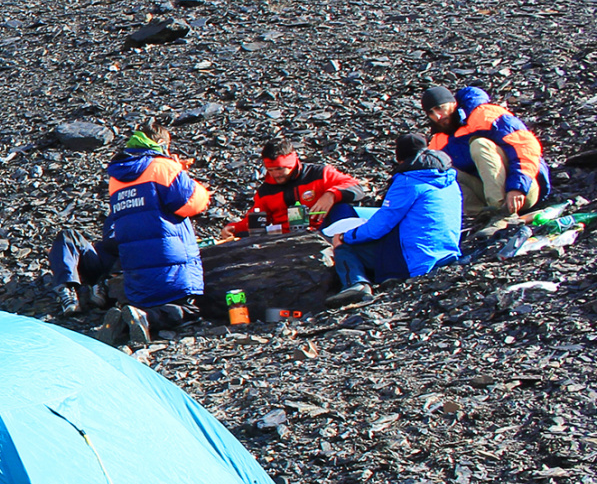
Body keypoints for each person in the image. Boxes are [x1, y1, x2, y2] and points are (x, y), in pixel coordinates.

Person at [49, 122, 217, 346]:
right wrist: (182, 173)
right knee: (190, 309)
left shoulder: (117, 176)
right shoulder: (164, 166)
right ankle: (143, 319)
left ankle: (125, 319)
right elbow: (190, 204)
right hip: (168, 258)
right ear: (161, 145)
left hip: (134, 264)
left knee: (148, 300)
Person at [326, 133, 462, 306]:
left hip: (418, 259)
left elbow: (379, 227)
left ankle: (356, 285)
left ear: (401, 158)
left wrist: (346, 236)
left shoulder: (409, 181)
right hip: (445, 251)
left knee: (346, 247)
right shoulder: (448, 179)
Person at [423, 84, 551, 217]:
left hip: (523, 190)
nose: (437, 116)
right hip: (485, 197)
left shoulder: (484, 115)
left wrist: (517, 187)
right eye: (431, 113)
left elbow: (525, 146)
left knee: (480, 144)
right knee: (440, 171)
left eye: (439, 108)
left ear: (453, 103)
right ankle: (484, 216)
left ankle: (502, 215)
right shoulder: (439, 140)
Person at [222, 140, 363, 238]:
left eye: (280, 169)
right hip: (287, 238)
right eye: (270, 170)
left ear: (292, 163)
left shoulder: (319, 174)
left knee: (342, 208)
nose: (276, 174)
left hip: (324, 230)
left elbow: (358, 188)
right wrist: (235, 228)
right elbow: (256, 218)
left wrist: (331, 195)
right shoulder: (266, 191)